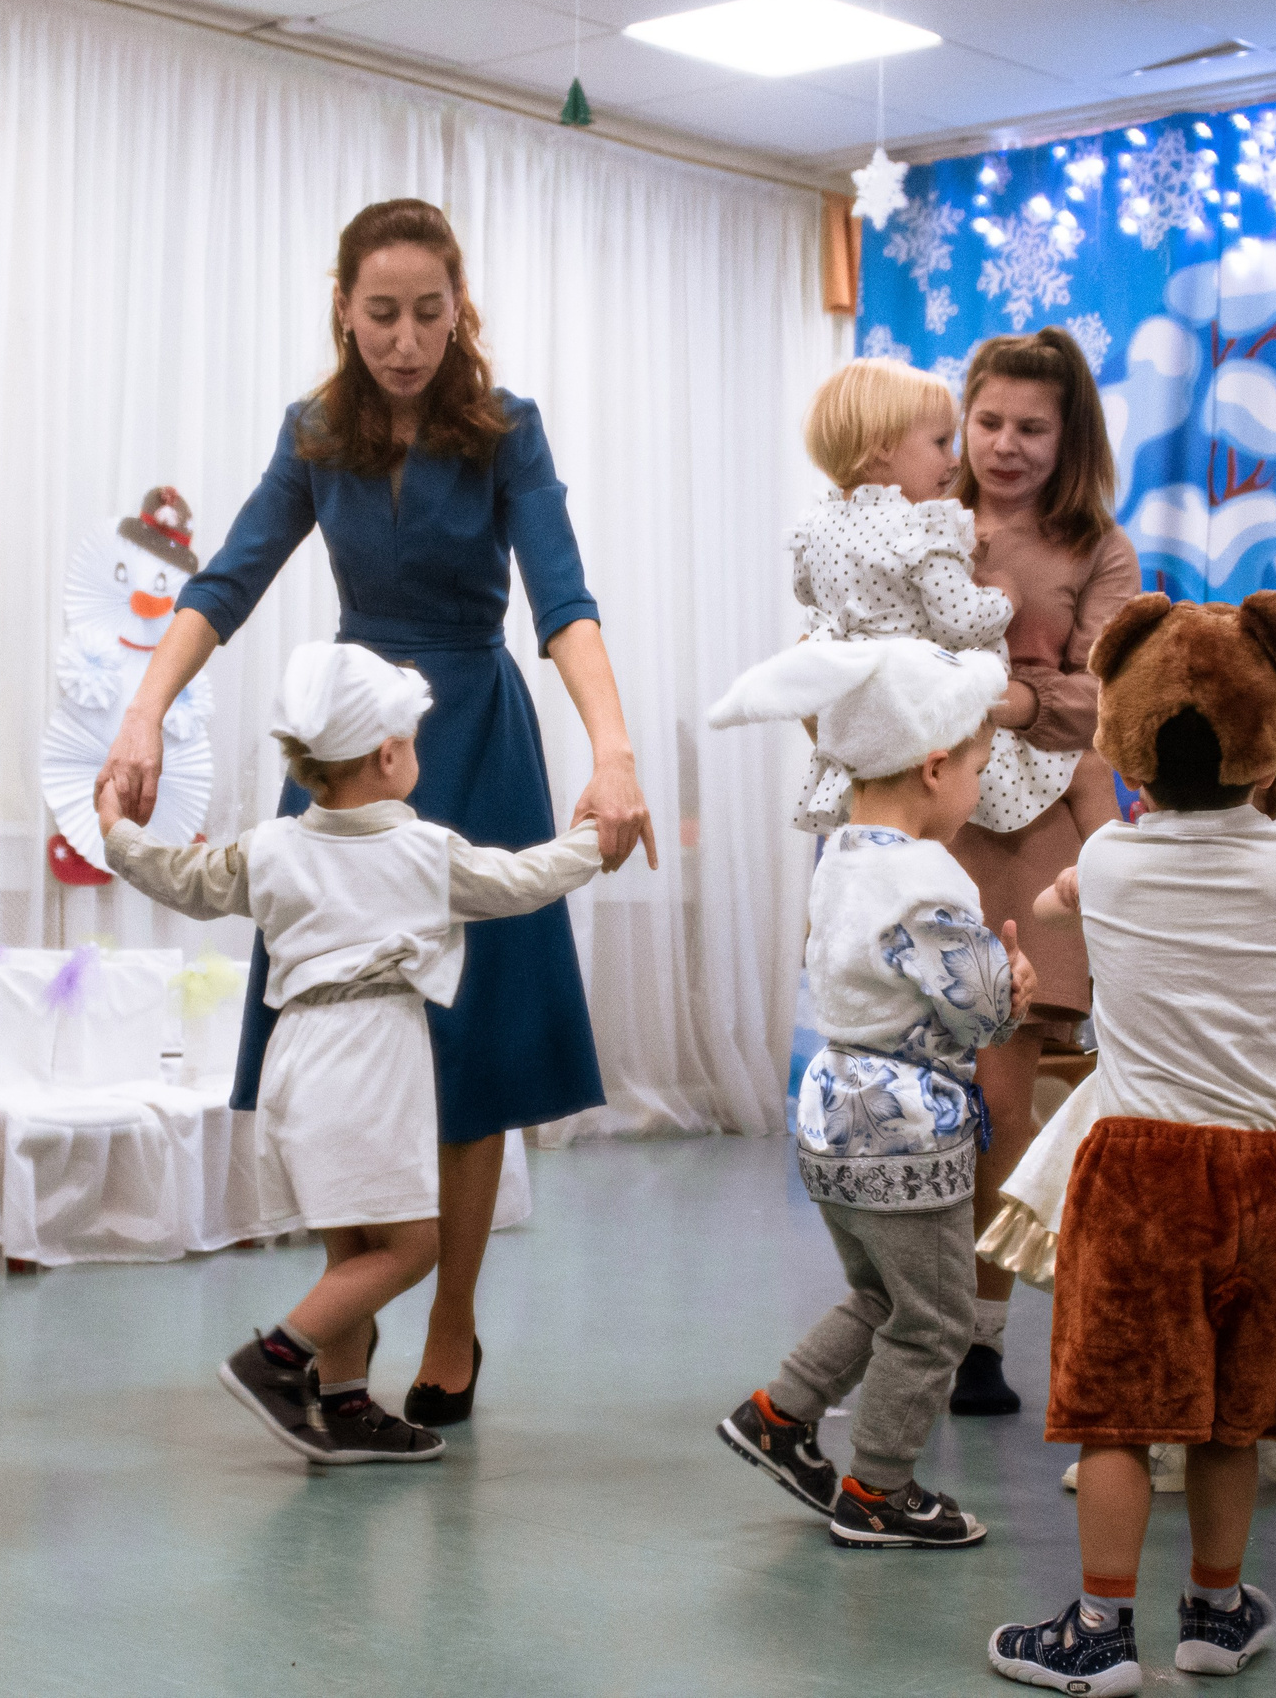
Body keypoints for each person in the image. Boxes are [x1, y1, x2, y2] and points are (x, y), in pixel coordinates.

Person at [96, 199, 652, 1427]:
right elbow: (227, 579)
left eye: (428, 314)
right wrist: (144, 713)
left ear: (460, 312)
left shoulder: (506, 431)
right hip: (350, 751)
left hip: (477, 740)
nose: (405, 340)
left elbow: (563, 603)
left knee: (471, 1050)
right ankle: (344, 1331)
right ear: (343, 309)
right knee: (345, 1028)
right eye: (383, 313)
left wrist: (611, 754)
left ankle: (451, 1323)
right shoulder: (315, 434)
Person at [985, 594, 1276, 1691]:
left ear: (1130, 740)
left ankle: (1101, 1630)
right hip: (1272, 1172)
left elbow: (1053, 906)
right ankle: (1215, 1611)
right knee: (1231, 1418)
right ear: (1270, 742)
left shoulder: (1107, 858)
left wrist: (1066, 903)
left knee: (1116, 1412)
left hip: (1140, 1172)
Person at [103, 642, 602, 1463]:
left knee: (352, 1247)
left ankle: (343, 1405)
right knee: (413, 1246)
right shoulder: (422, 853)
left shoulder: (270, 848)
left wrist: (118, 833)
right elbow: (519, 882)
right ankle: (275, 1360)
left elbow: (183, 879)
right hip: (369, 1062)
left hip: (297, 1059)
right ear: (387, 755)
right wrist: (594, 843)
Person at [708, 637, 1027, 1549]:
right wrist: (1013, 984)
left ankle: (781, 1413)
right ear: (934, 766)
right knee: (938, 1318)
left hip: (833, 1118)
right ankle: (880, 1488)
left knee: (882, 1294)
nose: (977, 790)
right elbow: (982, 1012)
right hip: (906, 1132)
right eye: (977, 771)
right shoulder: (927, 878)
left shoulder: (843, 854)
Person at [943, 327, 1140, 1417]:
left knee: (995, 1099)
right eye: (989, 422)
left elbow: (1106, 695)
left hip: (1030, 839)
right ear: (962, 419)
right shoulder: (920, 518)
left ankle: (980, 1338)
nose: (1006, 445)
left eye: (1032, 427)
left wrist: (1012, 698)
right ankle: (907, 1321)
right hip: (921, 821)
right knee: (910, 1094)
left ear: (1070, 439)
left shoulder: (1098, 547)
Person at [788, 357, 1060, 833]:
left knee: (881, 838)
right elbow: (963, 621)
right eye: (940, 443)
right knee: (1073, 769)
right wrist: (1004, 596)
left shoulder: (818, 523)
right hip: (923, 714)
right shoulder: (920, 526)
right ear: (882, 449)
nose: (954, 461)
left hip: (856, 717)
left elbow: (806, 592)